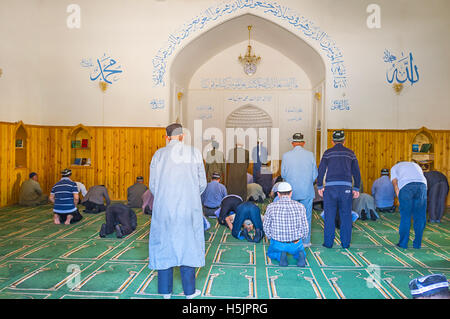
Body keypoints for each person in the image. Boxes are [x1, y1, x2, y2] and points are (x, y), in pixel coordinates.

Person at [148, 123, 207, 299]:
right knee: (188, 245)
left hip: (164, 208)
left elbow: (153, 186)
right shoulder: (194, 153)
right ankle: (189, 292)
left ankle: (166, 292)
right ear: (182, 136)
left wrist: (165, 198)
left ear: (166, 138)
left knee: (164, 245)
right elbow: (202, 183)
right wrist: (191, 197)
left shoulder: (159, 155)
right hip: (189, 208)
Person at [317, 130, 361, 249]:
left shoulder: (327, 153)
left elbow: (321, 170)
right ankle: (345, 243)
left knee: (329, 216)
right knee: (346, 216)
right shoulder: (350, 153)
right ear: (344, 141)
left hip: (330, 188)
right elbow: (356, 172)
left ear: (332, 141)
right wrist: (356, 187)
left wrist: (320, 186)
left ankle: (328, 243)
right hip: (346, 188)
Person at [281, 132, 318, 247]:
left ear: (292, 143)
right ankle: (306, 241)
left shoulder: (286, 156)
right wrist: (306, 183)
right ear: (303, 143)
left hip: (291, 192)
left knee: (291, 216)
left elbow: (283, 174)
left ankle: (292, 240)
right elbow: (315, 175)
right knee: (306, 216)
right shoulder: (310, 155)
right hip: (307, 191)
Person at [263, 182, 309, 267]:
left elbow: (266, 226)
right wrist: (302, 238)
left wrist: (270, 237)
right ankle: (300, 255)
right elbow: (305, 227)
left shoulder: (271, 206)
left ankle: (281, 256)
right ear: (291, 193)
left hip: (278, 243)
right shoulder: (300, 206)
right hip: (295, 243)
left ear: (278, 194)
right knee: (298, 249)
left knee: (271, 253)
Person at [390, 161, 427, 249]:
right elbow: (421, 178)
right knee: (420, 217)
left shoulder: (394, 167)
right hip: (422, 185)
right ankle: (417, 244)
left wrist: (399, 195)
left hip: (406, 186)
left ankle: (403, 244)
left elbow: (395, 183)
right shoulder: (415, 165)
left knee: (406, 216)